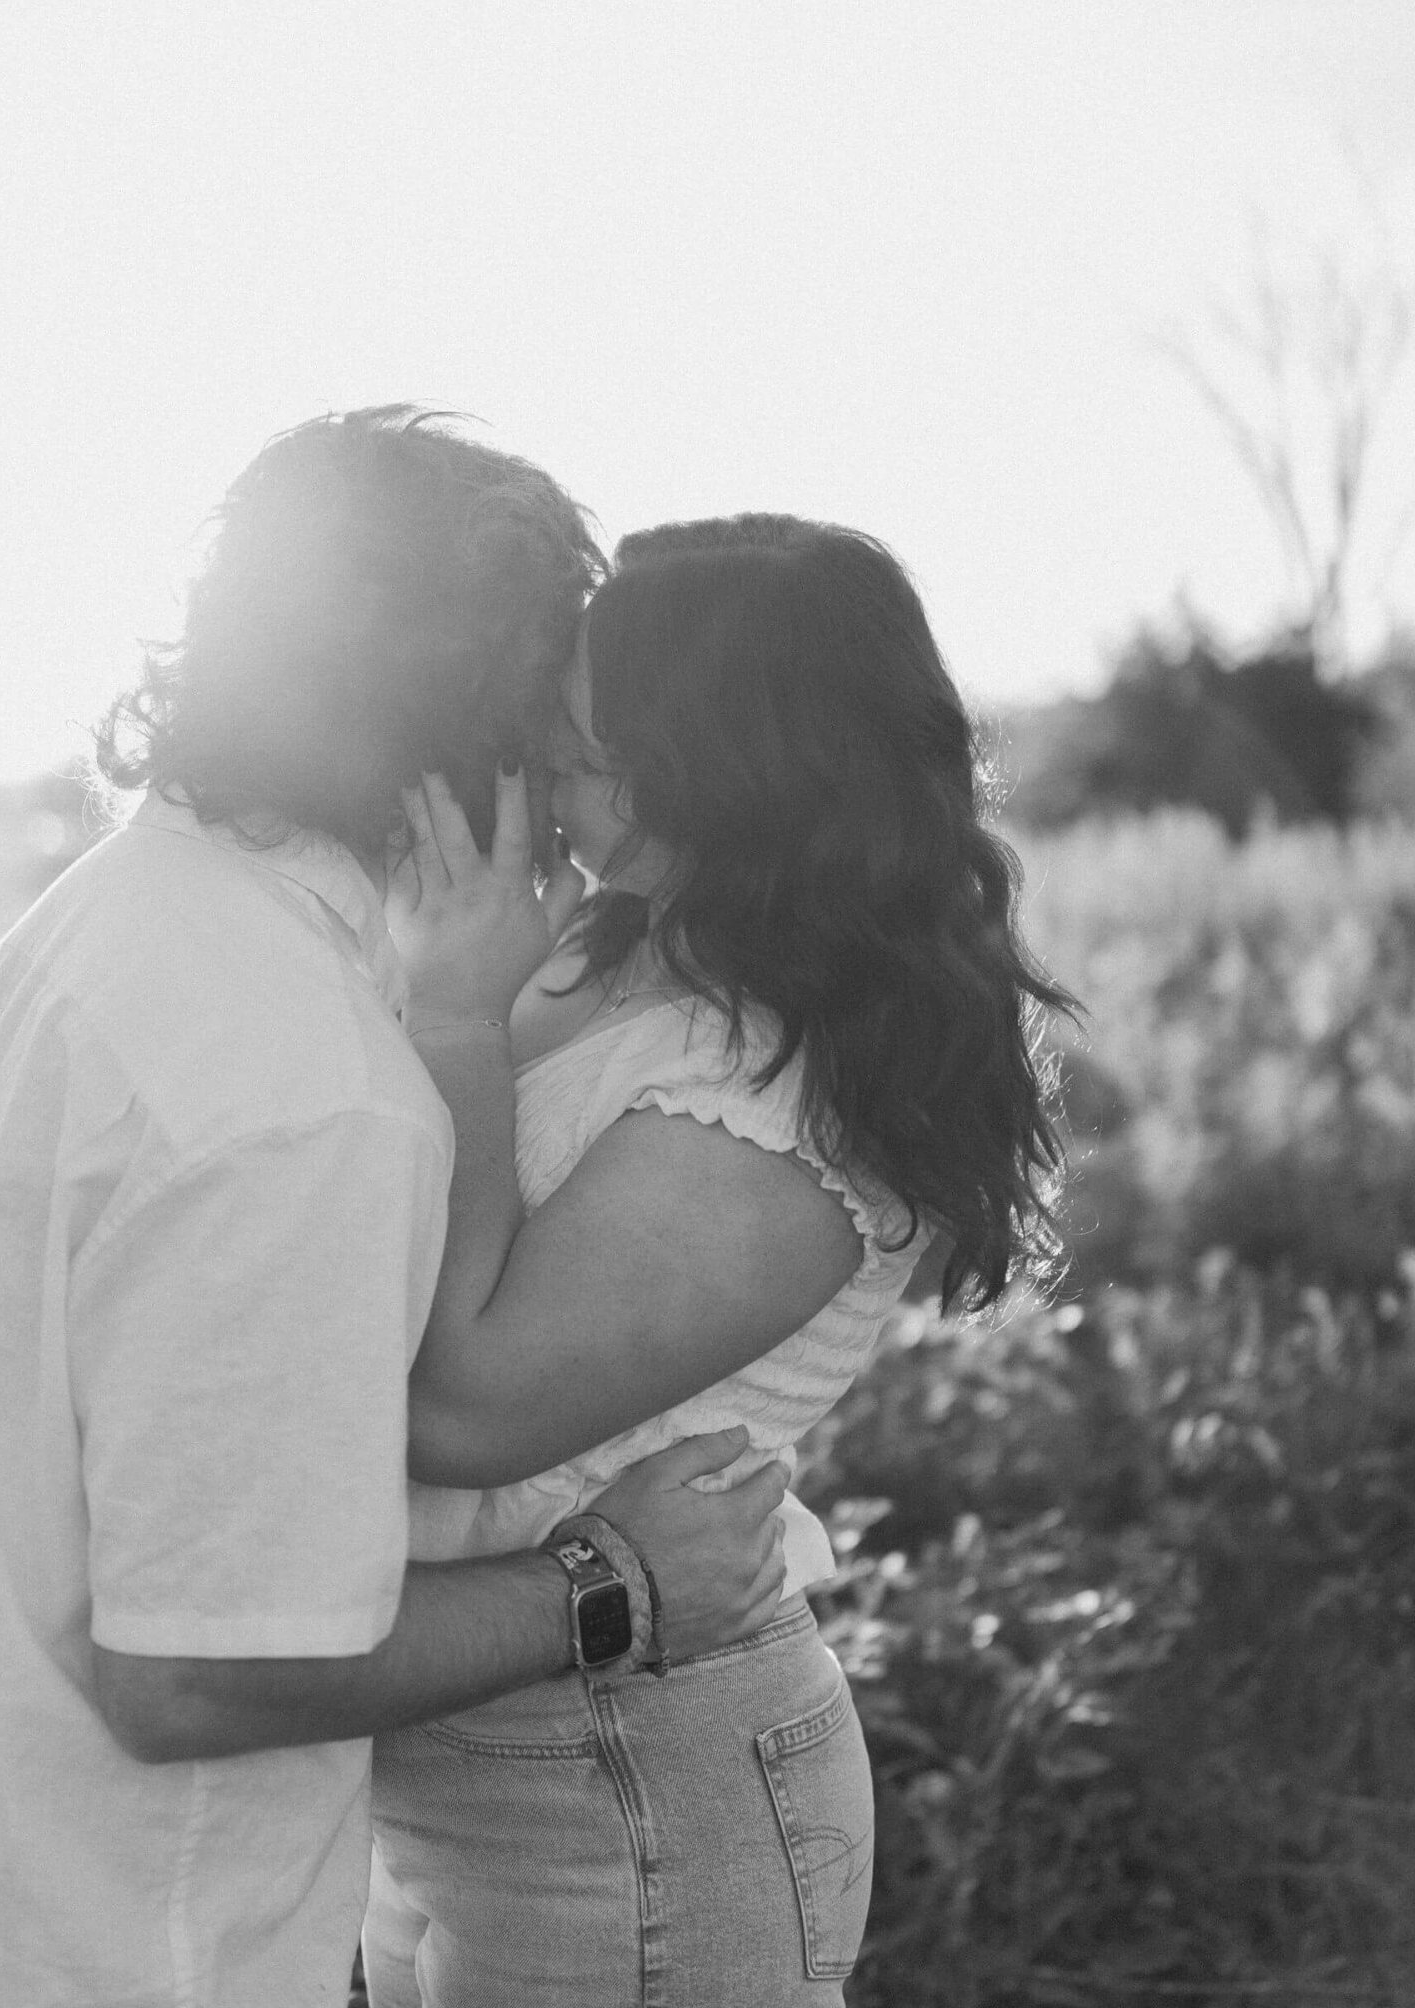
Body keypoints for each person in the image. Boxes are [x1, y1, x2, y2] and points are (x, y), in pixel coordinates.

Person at [0, 414, 787, 2008]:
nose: (574, 790)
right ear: (469, 739)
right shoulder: (310, 1093)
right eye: (555, 730)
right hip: (73, 1948)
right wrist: (612, 1586)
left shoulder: (111, 916)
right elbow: (196, 1670)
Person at [364, 514, 1078, 2006]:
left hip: (623, 1784)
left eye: (579, 748)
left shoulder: (784, 1096)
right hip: (454, 1751)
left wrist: (456, 1020)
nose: (545, 780)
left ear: (720, 765)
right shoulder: (608, 940)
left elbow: (464, 1408)